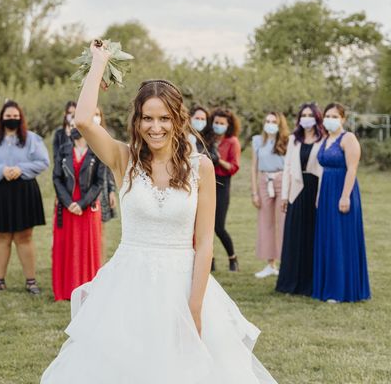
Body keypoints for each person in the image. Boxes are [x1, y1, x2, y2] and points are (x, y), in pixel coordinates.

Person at [41, 41, 276, 383]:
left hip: (185, 286)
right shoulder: (124, 159)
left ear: (178, 118)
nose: (156, 127)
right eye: (147, 118)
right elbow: (83, 120)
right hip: (128, 285)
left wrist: (194, 308)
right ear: (137, 120)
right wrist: (98, 64)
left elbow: (205, 244)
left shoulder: (201, 168)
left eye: (164, 118)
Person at [0, 100, 49, 294]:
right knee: (1, 237)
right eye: (8, 116)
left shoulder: (33, 139)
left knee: (24, 236)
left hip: (24, 190)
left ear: (21, 118)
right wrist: (2, 170)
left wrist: (20, 169)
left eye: (16, 116)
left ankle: (31, 281)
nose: (12, 119)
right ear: (2, 118)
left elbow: (43, 162)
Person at [312, 103, 370, 303]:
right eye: (327, 115)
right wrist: (320, 194)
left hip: (342, 190)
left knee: (340, 238)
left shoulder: (349, 138)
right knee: (328, 238)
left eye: (334, 116)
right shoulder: (326, 138)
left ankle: (340, 289)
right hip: (327, 191)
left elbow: (352, 169)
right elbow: (323, 170)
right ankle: (326, 286)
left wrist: (345, 196)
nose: (330, 118)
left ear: (343, 119)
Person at [52, 120, 105, 301]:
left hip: (87, 208)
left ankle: (87, 289)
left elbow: (99, 182)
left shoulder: (97, 151)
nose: (74, 129)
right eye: (71, 126)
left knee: (86, 249)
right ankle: (65, 291)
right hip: (67, 207)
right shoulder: (63, 150)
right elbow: (56, 177)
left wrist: (81, 203)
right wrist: (68, 203)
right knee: (65, 247)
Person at [276, 103, 324, 296]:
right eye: (303, 115)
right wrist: (285, 196)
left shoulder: (323, 139)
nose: (306, 118)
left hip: (314, 190)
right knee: (294, 236)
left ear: (316, 117)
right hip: (296, 190)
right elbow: (287, 168)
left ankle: (309, 283)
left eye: (309, 115)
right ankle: (290, 282)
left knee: (311, 236)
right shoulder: (293, 140)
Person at [251, 112, 289, 278]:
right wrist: (255, 193)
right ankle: (270, 264)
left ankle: (285, 263)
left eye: (274, 121)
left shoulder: (288, 141)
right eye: (267, 121)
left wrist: (287, 192)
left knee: (283, 222)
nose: (270, 124)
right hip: (264, 181)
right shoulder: (258, 141)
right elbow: (254, 168)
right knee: (266, 223)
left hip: (281, 180)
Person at [210, 108, 241, 271]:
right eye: (216, 122)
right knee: (204, 225)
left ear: (228, 125)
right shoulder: (208, 138)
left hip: (222, 183)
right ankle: (210, 260)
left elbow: (234, 167)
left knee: (218, 226)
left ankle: (232, 258)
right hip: (207, 181)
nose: (218, 126)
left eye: (222, 123)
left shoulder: (232, 142)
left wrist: (219, 160)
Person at [94, 107, 117, 224]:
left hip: (102, 188)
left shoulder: (106, 138)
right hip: (83, 189)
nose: (95, 117)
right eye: (92, 114)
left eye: (97, 114)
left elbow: (109, 168)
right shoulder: (78, 138)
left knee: (100, 227)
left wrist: (111, 191)